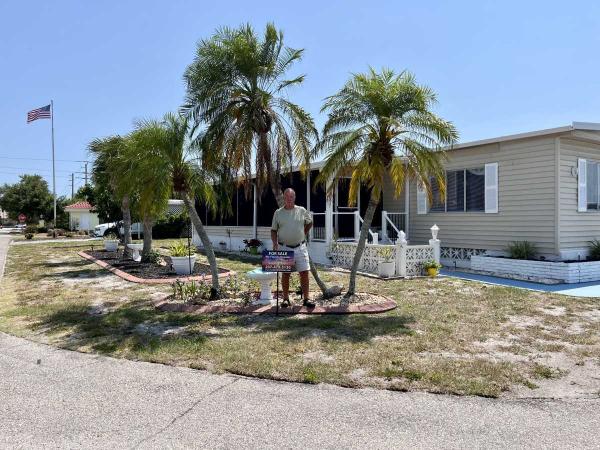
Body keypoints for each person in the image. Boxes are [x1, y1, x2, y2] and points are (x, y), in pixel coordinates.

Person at [271, 188, 315, 308]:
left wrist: (303, 232)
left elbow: (310, 222)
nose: (289, 199)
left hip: (300, 247)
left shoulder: (301, 210)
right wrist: (274, 243)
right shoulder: (278, 213)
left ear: (294, 198)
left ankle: (306, 299)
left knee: (304, 272)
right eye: (287, 197)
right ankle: (285, 299)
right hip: (284, 248)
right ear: (283, 198)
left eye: (291, 197)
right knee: (286, 274)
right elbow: (274, 230)